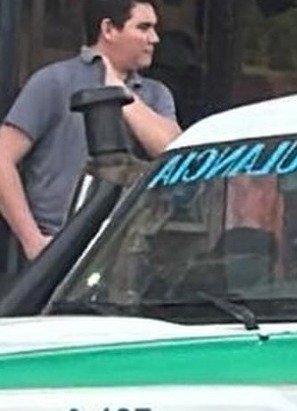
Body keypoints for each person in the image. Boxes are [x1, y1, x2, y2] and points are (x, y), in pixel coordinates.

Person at [0, 0, 180, 263]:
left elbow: (172, 150)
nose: (154, 38)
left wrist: (120, 92)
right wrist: (33, 241)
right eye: (143, 27)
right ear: (108, 29)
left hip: (132, 250)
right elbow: (2, 158)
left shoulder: (155, 94)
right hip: (61, 246)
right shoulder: (54, 81)